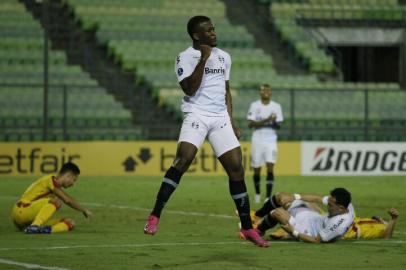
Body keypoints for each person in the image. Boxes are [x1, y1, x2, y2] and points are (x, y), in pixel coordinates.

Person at [143, 15, 269, 247]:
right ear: (196, 35)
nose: (214, 33)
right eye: (208, 30)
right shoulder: (185, 57)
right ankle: (155, 215)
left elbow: (226, 91)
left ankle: (248, 228)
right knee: (183, 160)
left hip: (220, 118)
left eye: (214, 29)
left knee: (237, 170)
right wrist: (203, 59)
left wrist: (231, 121)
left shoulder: (224, 57)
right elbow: (189, 89)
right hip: (197, 115)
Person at [247, 188, 354, 243]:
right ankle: (256, 216)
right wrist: (294, 197)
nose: (328, 206)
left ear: (341, 208)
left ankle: (258, 231)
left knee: (277, 212)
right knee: (282, 197)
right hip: (312, 217)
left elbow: (317, 240)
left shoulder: (337, 225)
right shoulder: (346, 205)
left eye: (330, 205)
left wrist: (294, 232)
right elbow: (318, 199)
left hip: (306, 230)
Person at [11, 162, 93, 234]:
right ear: (68, 175)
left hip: (27, 219)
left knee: (70, 222)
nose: (73, 183)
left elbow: (67, 198)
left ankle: (47, 230)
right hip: (21, 210)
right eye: (74, 180)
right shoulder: (51, 180)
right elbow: (67, 200)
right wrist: (84, 210)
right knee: (56, 202)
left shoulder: (56, 187)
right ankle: (34, 226)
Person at [247, 84, 283, 203]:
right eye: (263, 90)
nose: (266, 92)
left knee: (270, 166)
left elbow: (279, 125)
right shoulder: (254, 105)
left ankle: (268, 196)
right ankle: (257, 193)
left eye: (268, 90)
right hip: (257, 139)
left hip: (271, 139)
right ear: (260, 92)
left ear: (271, 92)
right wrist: (267, 120)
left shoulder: (276, 106)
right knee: (256, 168)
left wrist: (272, 122)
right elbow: (251, 124)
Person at [270, 208, 399, 241]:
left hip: (347, 230)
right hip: (345, 223)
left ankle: (289, 233)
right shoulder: (374, 222)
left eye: (381, 220)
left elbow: (386, 235)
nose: (379, 218)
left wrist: (393, 219)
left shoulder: (377, 230)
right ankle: (287, 232)